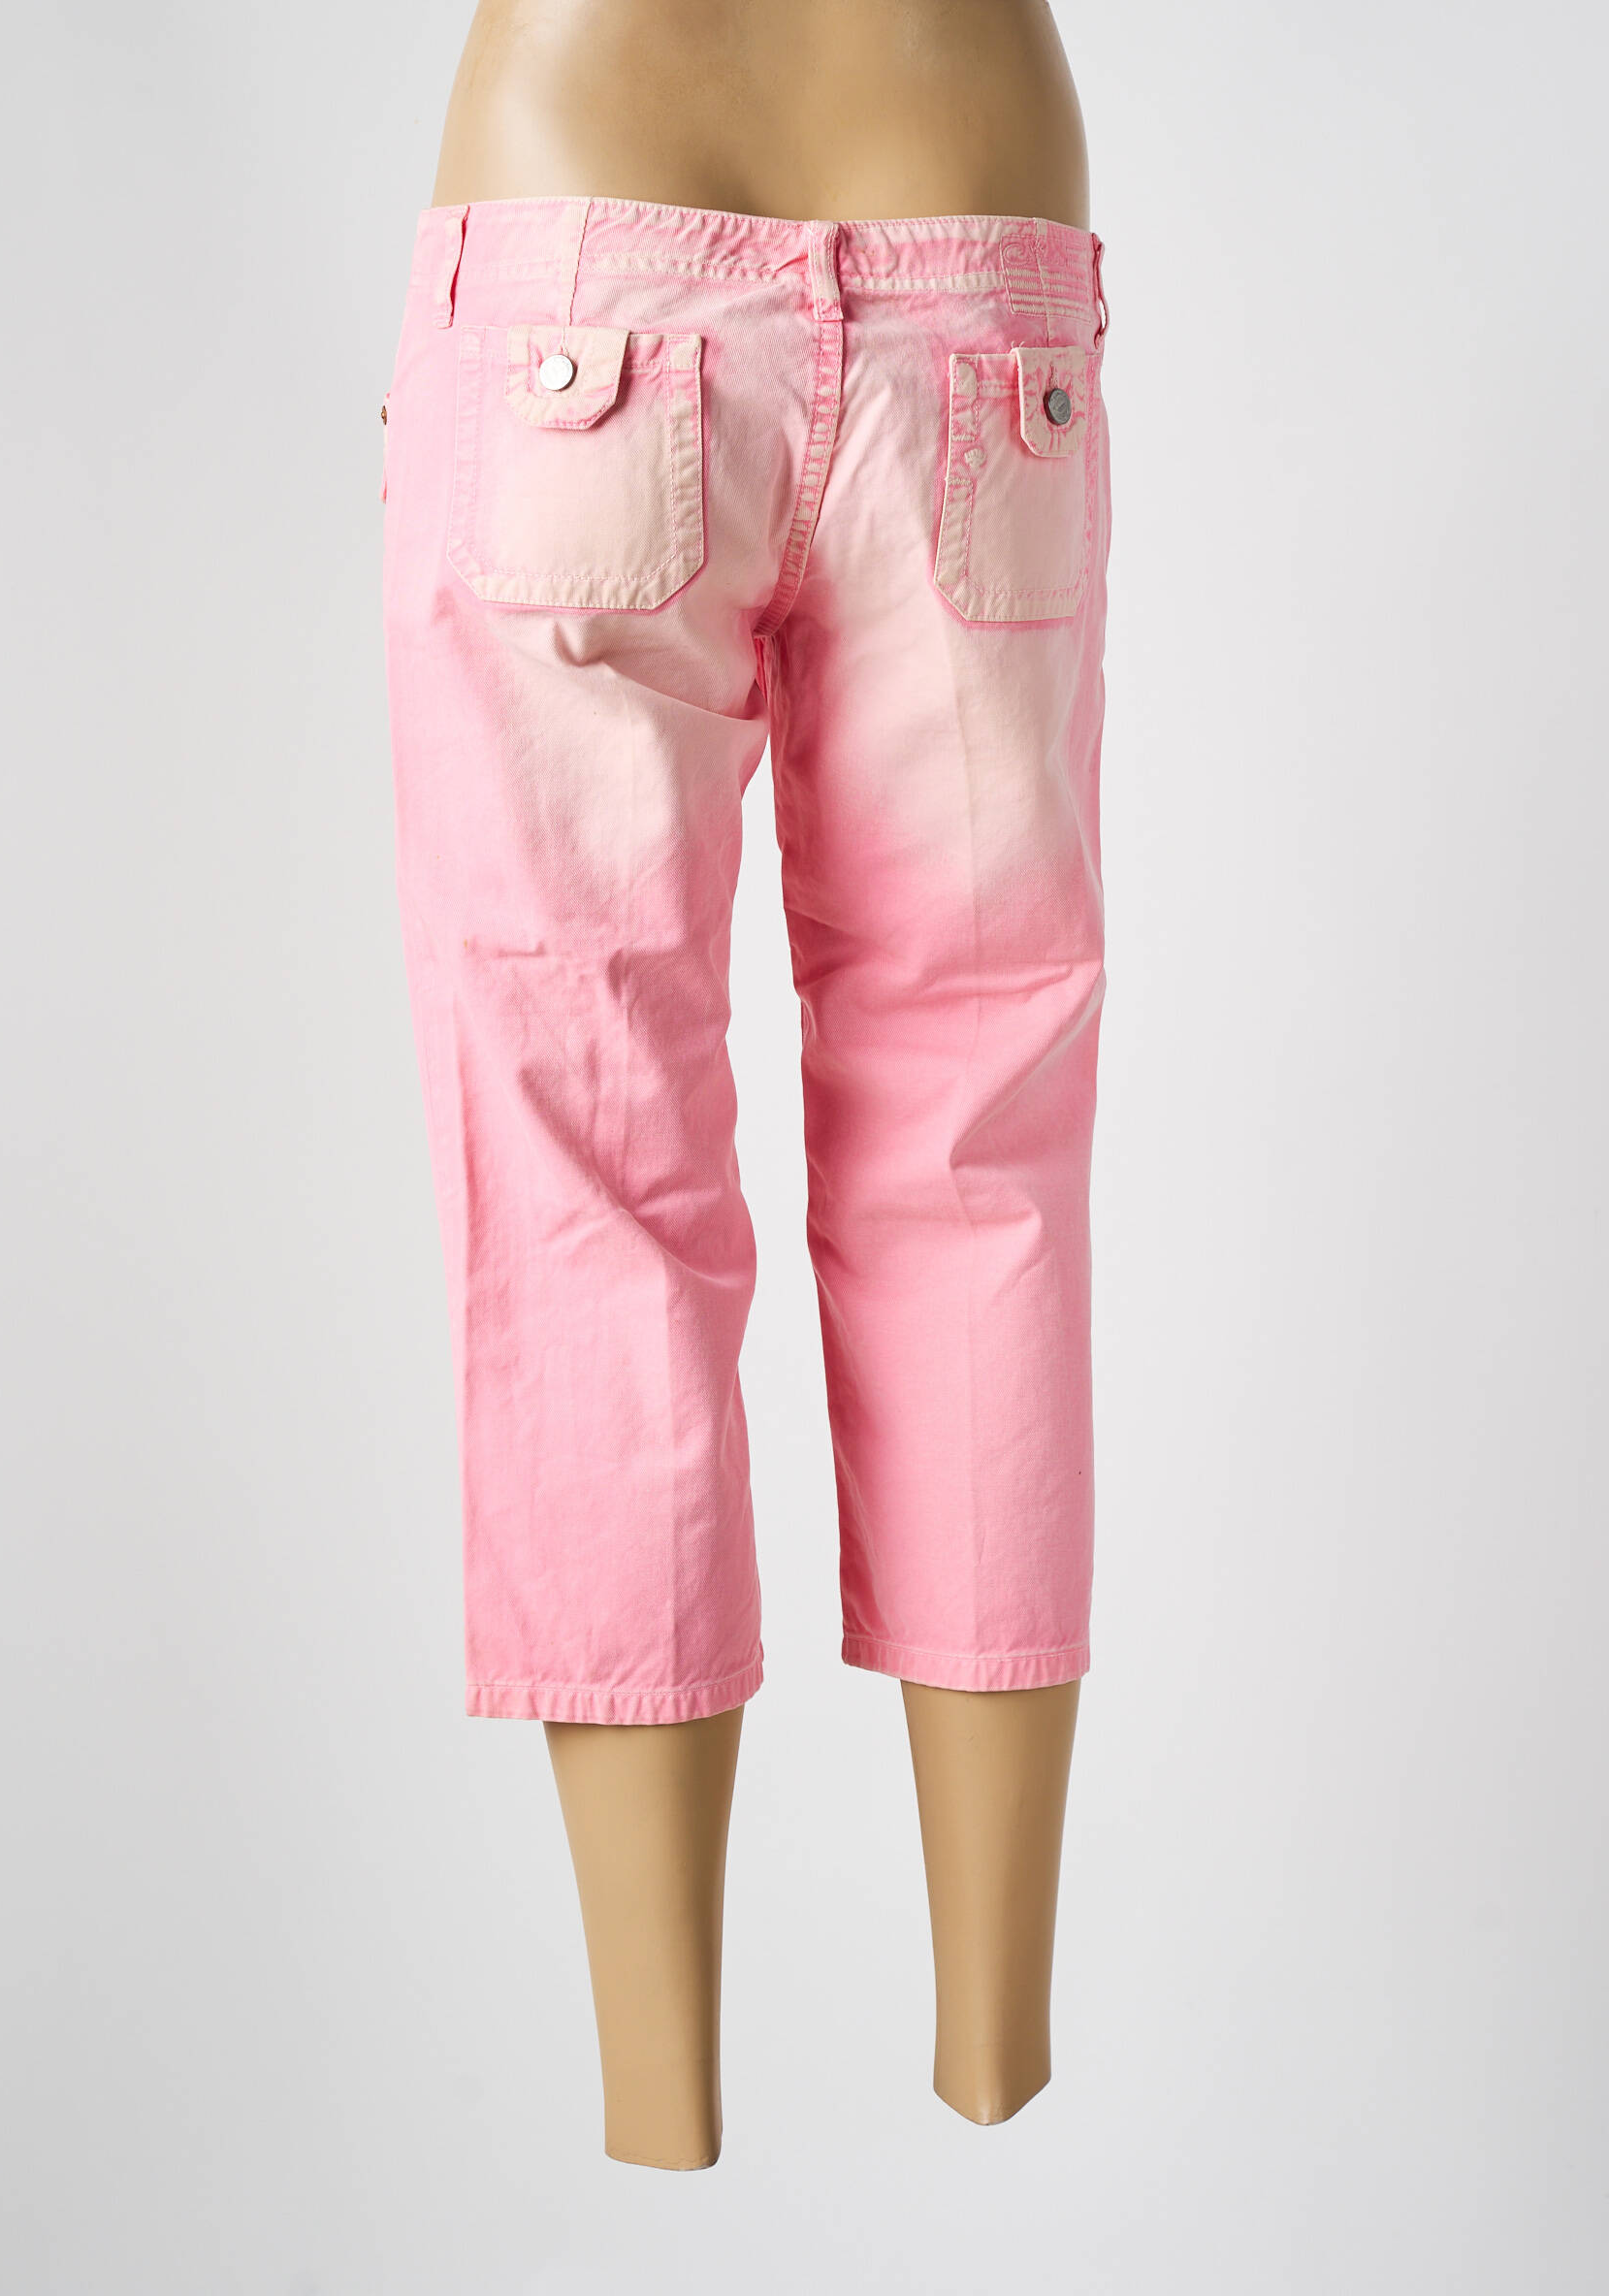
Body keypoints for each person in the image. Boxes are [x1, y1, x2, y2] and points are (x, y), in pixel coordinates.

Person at [381, 0, 1110, 2169]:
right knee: (979, 1153)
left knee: (588, 1171)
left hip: (584, 220)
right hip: (974, 209)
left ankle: (659, 2108)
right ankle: (996, 2054)